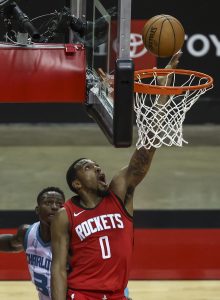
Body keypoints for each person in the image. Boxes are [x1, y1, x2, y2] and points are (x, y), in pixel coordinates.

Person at [51, 52, 182, 300]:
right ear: (76, 184)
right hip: (82, 295)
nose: (99, 169)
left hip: (118, 295)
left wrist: (162, 97)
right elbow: (58, 269)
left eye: (98, 165)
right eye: (89, 167)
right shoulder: (65, 214)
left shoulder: (118, 194)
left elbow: (146, 151)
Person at [0, 186, 65, 300]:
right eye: (48, 202)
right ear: (37, 210)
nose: (55, 207)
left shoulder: (73, 238)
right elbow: (11, 244)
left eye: (60, 204)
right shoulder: (27, 233)